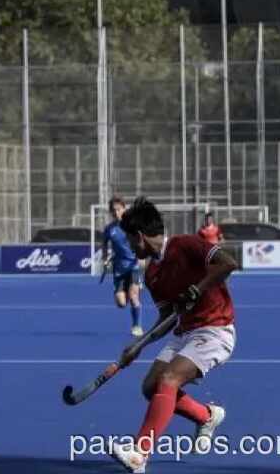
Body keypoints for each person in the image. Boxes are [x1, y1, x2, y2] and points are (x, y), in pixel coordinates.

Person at [108, 196, 239, 473]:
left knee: (169, 379)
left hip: (215, 329)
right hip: (185, 332)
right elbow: (167, 317)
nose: (131, 248)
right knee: (151, 387)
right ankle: (207, 416)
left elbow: (228, 263)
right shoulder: (152, 273)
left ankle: (139, 454)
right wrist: (139, 345)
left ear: (140, 236)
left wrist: (198, 288)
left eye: (131, 241)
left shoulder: (186, 244)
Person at [102, 196, 143, 336]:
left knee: (133, 297)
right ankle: (129, 291)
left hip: (133, 267)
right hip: (119, 269)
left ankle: (136, 326)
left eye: (118, 209)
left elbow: (141, 242)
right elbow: (104, 244)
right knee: (121, 303)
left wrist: (140, 255)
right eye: (113, 210)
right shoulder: (109, 229)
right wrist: (105, 258)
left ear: (124, 209)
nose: (116, 213)